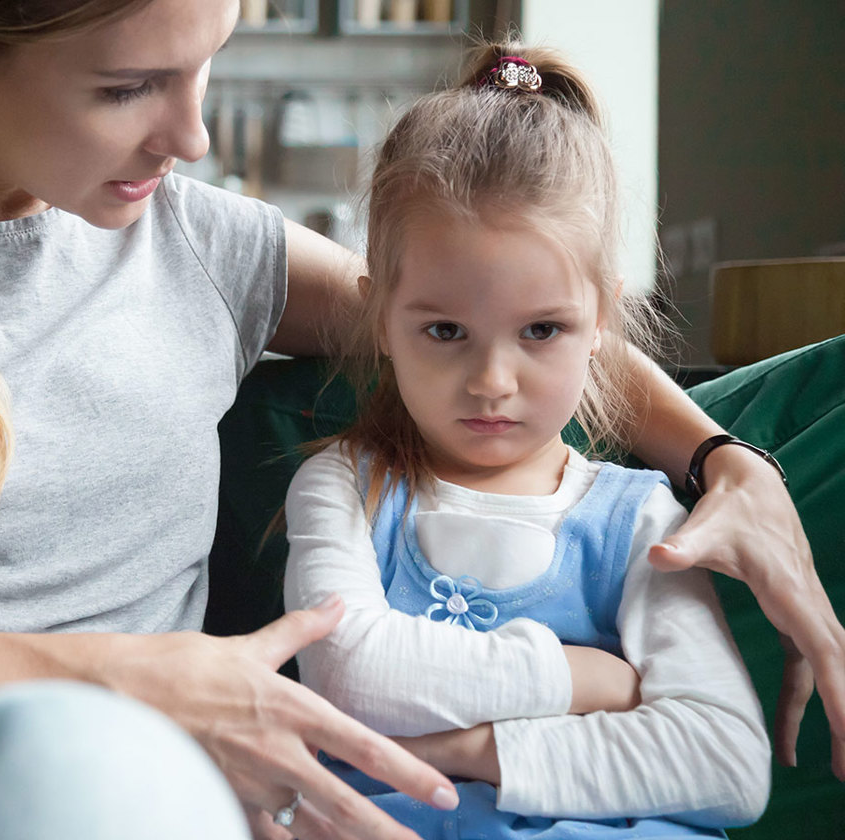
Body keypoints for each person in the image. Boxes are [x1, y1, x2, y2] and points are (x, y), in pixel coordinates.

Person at [0, 0, 839, 838]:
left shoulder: (206, 245)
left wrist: (728, 463)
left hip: (151, 806)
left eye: (207, 65)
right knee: (75, 771)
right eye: (130, 87)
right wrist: (112, 680)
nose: (193, 133)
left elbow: (507, 314)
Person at [283, 46, 772, 838]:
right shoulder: (346, 485)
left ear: (601, 323)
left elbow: (727, 764)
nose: (491, 381)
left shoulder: (642, 521)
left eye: (542, 330)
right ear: (380, 317)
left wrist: (474, 748)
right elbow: (351, 672)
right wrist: (587, 680)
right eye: (445, 330)